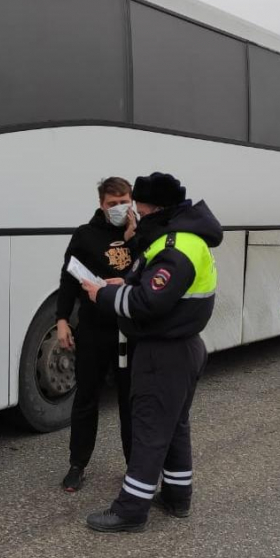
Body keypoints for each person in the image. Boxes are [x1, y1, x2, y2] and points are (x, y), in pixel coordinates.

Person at [81, 172, 223, 532]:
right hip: (182, 348)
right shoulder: (183, 240)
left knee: (148, 430)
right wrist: (125, 281)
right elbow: (152, 285)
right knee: (174, 426)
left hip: (164, 353)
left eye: (140, 209)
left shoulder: (175, 247)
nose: (136, 215)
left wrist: (105, 294)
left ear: (156, 208)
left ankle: (130, 511)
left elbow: (148, 302)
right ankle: (177, 496)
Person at [56, 177, 137, 492]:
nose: (119, 208)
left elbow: (151, 273)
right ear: (101, 204)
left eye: (124, 201)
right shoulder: (85, 235)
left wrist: (132, 239)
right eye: (112, 203)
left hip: (130, 330)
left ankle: (135, 466)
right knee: (86, 398)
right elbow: (68, 280)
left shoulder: (142, 235)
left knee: (131, 402)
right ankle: (78, 464)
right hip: (93, 329)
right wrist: (62, 319)